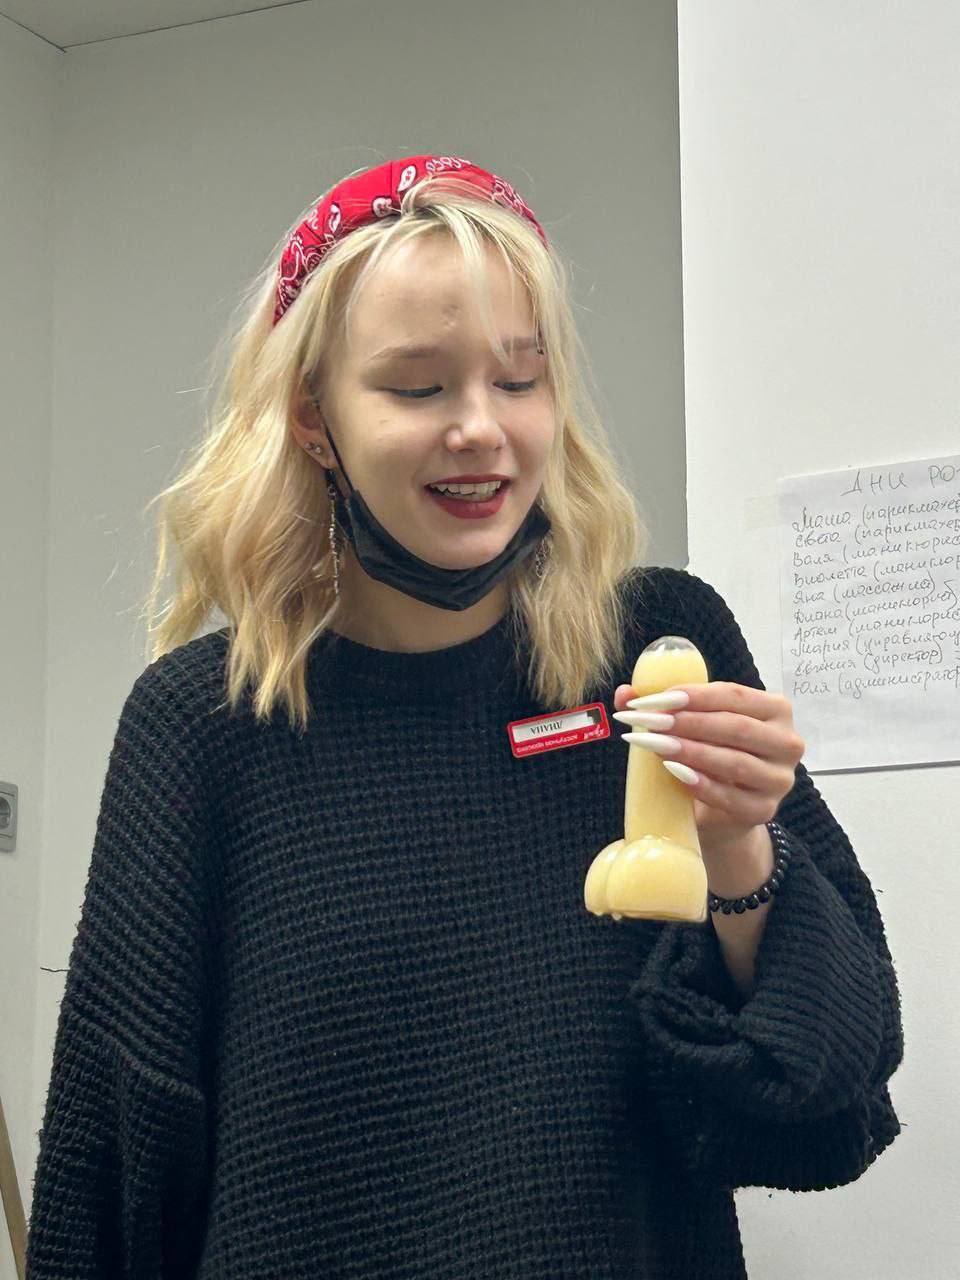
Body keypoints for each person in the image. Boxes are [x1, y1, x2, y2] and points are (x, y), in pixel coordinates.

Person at [25, 155, 903, 1279]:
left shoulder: (657, 650)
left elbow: (827, 1092)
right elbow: (111, 1163)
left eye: (520, 379)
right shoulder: (204, 725)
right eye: (418, 388)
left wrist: (739, 846)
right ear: (314, 419)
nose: (482, 428)